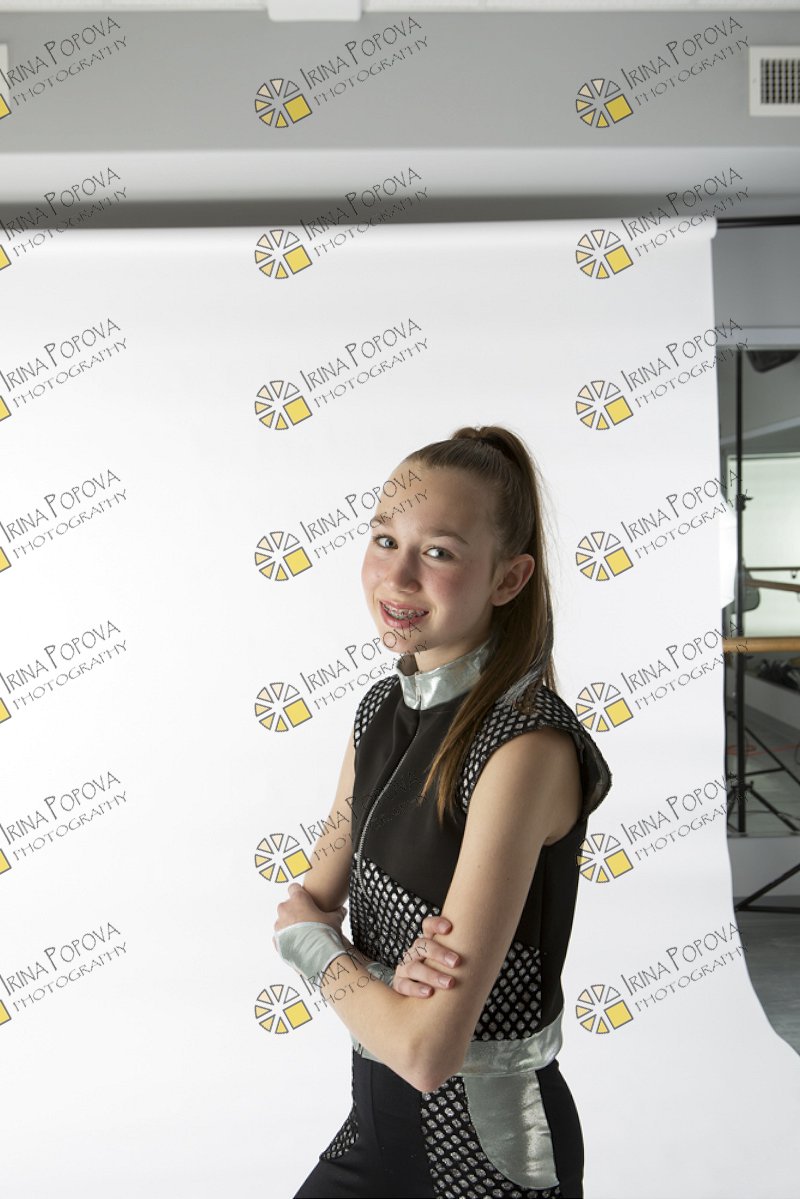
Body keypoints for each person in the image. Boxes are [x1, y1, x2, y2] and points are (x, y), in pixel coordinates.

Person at [273, 424, 613, 1198]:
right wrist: (381, 978)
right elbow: (307, 903)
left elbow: (426, 1051)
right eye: (384, 539)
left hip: (490, 1161)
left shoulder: (525, 748)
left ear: (508, 578)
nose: (397, 576)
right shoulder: (377, 712)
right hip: (375, 1131)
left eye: (438, 551)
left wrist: (327, 954)